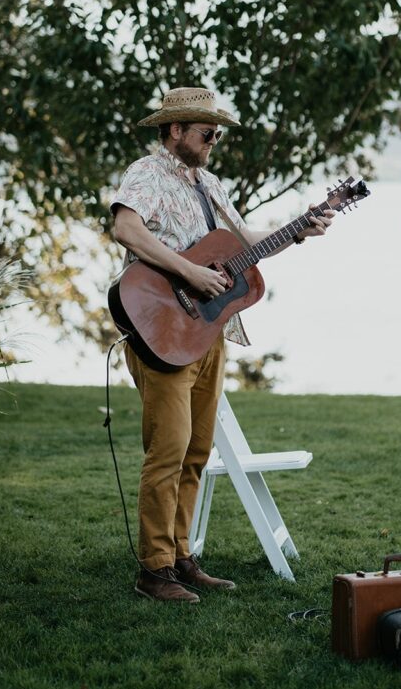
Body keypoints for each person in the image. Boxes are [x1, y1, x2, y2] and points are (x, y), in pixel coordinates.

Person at [110, 86, 334, 602]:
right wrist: (190, 270)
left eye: (217, 133)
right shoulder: (146, 174)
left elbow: (242, 239)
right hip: (162, 330)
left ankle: (181, 557)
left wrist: (299, 229)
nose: (214, 141)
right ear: (175, 131)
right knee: (167, 451)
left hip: (206, 332)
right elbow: (126, 227)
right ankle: (153, 571)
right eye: (207, 133)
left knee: (196, 451)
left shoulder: (209, 183)